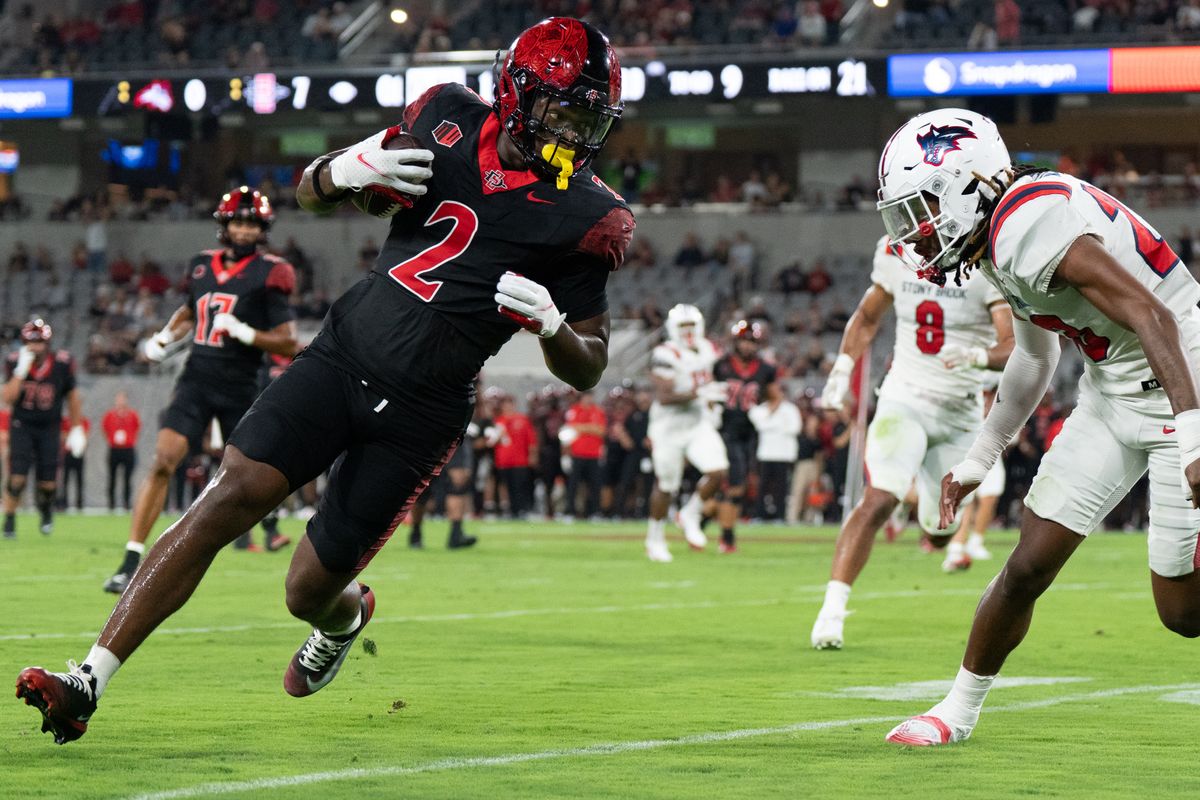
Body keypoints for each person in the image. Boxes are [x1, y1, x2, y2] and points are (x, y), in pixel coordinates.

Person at [17, 16, 632, 746]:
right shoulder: (446, 115)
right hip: (342, 356)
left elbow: (589, 366)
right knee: (227, 495)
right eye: (561, 111)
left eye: (586, 119)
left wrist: (556, 329)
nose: (570, 134)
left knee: (306, 590)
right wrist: (339, 171)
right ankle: (88, 679)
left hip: (422, 411)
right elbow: (320, 192)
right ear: (514, 90)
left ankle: (347, 617)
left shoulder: (594, 214)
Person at [875, 109, 1200, 746]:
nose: (911, 236)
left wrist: (1193, 436)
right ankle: (956, 712)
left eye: (919, 211)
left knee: (1183, 614)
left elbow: (1152, 316)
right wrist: (979, 456)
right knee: (1027, 566)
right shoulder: (997, 232)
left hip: (1180, 384)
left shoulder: (1027, 218)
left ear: (963, 186)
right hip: (1111, 394)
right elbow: (1033, 356)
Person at [811, 233, 1013, 650]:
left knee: (940, 532)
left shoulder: (983, 258)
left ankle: (922, 487)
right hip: (904, 398)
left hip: (959, 413)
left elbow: (1012, 344)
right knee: (879, 498)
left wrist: (978, 357)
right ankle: (831, 610)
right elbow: (867, 318)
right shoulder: (894, 249)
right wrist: (840, 372)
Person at [100, 187, 300, 595]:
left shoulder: (271, 271)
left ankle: (271, 526)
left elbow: (287, 342)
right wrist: (163, 337)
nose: (244, 230)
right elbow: (190, 312)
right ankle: (131, 558)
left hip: (242, 383)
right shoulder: (199, 266)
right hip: (196, 378)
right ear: (224, 225)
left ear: (262, 229)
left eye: (251, 223)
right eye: (238, 222)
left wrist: (246, 332)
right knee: (162, 460)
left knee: (252, 477)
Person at [645, 304, 728, 562]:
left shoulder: (709, 349)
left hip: (697, 421)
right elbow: (665, 396)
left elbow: (717, 378)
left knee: (717, 471)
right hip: (668, 425)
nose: (688, 331)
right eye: (683, 326)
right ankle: (655, 538)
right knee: (667, 485)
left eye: (691, 325)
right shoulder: (664, 353)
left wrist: (717, 395)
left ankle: (690, 513)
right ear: (672, 329)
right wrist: (701, 393)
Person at [2, 319, 86, 537]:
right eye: (32, 342)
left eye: (40, 342)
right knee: (17, 477)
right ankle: (9, 518)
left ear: (47, 343)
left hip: (50, 426)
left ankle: (47, 511)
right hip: (22, 425)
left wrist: (76, 427)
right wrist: (20, 371)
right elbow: (8, 398)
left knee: (48, 483)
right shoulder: (14, 361)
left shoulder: (62, 363)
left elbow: (73, 396)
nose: (36, 347)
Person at [711, 319, 780, 553]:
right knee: (735, 484)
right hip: (725, 429)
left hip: (749, 432)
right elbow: (707, 391)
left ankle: (701, 522)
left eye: (752, 342)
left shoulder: (765, 369)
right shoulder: (720, 365)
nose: (748, 346)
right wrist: (711, 409)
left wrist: (764, 411)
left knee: (737, 485)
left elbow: (775, 397)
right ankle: (727, 539)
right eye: (744, 341)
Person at [942, 379, 1003, 572]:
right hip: (965, 451)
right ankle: (956, 548)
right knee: (965, 500)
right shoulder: (963, 391)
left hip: (991, 452)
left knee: (990, 495)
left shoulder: (998, 396)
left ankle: (975, 542)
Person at [749, 391, 802, 520]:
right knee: (763, 486)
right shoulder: (760, 409)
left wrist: (770, 425)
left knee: (782, 487)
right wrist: (778, 423)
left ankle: (780, 516)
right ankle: (759, 515)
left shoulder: (791, 409)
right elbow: (759, 425)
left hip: (784, 455)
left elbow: (795, 428)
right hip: (766, 454)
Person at [492, 394, 537, 519]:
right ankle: (511, 510)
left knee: (520, 485)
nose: (507, 407)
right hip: (503, 459)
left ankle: (522, 509)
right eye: (505, 404)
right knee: (506, 486)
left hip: (520, 460)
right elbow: (491, 441)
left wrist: (532, 456)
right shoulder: (498, 421)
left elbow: (531, 440)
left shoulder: (522, 419)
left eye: (509, 404)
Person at [564, 390, 606, 519]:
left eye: (590, 396)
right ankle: (570, 512)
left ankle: (595, 512)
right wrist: (590, 428)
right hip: (577, 453)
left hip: (593, 454)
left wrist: (582, 427)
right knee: (573, 485)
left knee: (595, 485)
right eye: (586, 396)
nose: (588, 399)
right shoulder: (574, 410)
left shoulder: (598, 411)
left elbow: (601, 431)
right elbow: (570, 429)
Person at [102, 391, 141, 511]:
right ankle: (111, 503)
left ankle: (126, 503)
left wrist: (131, 440)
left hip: (128, 449)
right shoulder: (110, 415)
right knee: (112, 477)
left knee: (127, 478)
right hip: (114, 449)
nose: (120, 402)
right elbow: (104, 429)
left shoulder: (132, 415)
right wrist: (110, 439)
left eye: (122, 399)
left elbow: (137, 428)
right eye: (118, 399)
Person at [56, 415, 89, 511]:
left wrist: (80, 446)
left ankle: (79, 503)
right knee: (66, 478)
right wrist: (71, 438)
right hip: (68, 453)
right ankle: (64, 502)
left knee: (79, 478)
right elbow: (62, 434)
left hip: (79, 453)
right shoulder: (66, 421)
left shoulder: (84, 421)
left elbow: (86, 436)